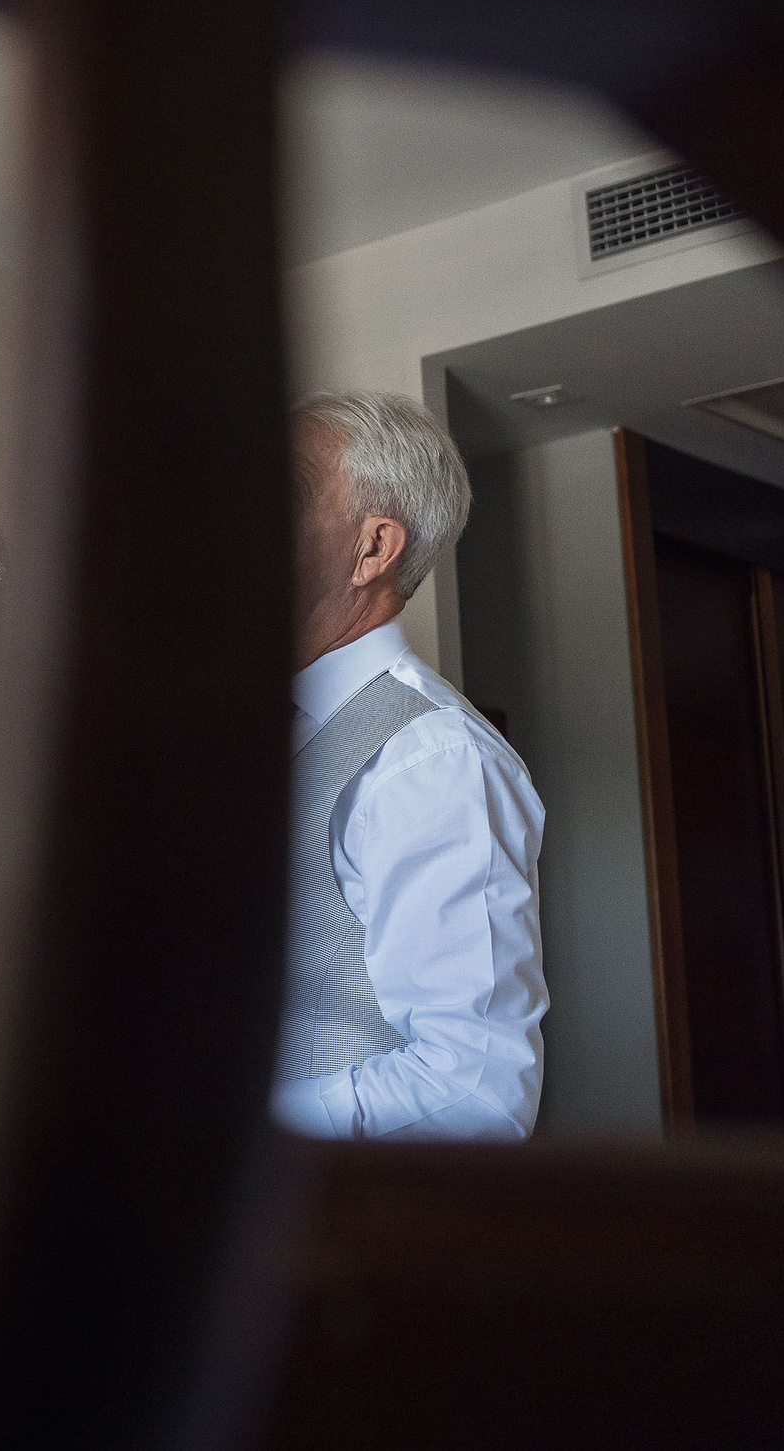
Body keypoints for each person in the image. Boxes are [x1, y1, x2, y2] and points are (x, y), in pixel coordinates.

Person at [280, 390, 547, 1140]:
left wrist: (219, 1137)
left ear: (373, 549)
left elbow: (476, 1092)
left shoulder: (429, 760)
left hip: (339, 1235)